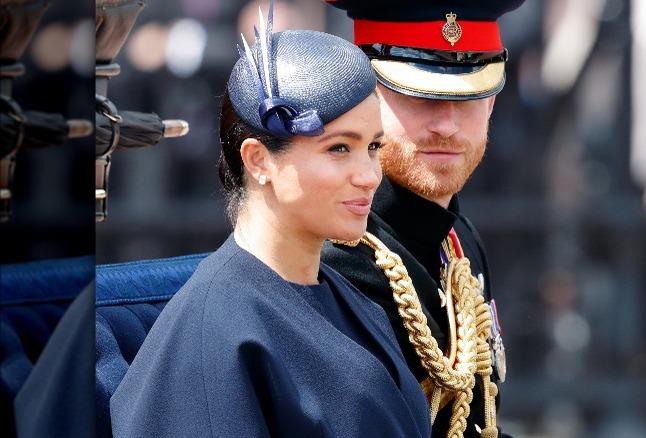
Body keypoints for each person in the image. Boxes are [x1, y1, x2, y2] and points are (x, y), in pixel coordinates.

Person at [109, 3, 430, 437]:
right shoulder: (216, 333)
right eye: (339, 148)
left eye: (373, 147)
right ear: (259, 160)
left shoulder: (347, 299)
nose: (369, 175)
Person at [321, 1, 527, 437]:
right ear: (365, 97)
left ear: (491, 102)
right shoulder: (332, 257)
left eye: (468, 95)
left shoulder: (458, 240)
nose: (446, 125)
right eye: (421, 95)